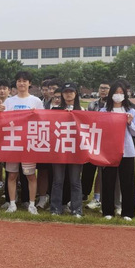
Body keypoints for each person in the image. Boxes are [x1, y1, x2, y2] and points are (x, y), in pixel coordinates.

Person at [0, 71, 43, 215]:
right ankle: (12, 203)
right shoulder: (9, 101)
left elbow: (43, 121)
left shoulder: (36, 101)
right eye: (19, 81)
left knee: (30, 175)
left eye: (24, 81)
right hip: (13, 143)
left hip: (29, 144)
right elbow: (1, 122)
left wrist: (36, 115)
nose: (21, 83)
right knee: (11, 175)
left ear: (30, 83)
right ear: (16, 83)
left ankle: (32, 204)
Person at [100, 81, 135, 221]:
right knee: (108, 181)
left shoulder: (131, 111)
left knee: (127, 182)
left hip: (127, 151)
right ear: (111, 94)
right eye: (116, 92)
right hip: (109, 152)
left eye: (121, 93)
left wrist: (129, 123)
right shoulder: (104, 111)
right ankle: (107, 211)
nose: (118, 95)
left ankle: (128, 212)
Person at [50, 83, 84, 217]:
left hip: (75, 151)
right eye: (66, 92)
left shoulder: (82, 110)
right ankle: (55, 208)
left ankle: (77, 209)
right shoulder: (55, 110)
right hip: (59, 149)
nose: (68, 94)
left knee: (75, 181)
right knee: (58, 180)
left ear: (76, 94)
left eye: (71, 92)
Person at [83, 81, 110, 210]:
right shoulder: (92, 104)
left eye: (106, 88)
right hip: (92, 141)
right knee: (88, 169)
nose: (103, 90)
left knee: (101, 170)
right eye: (101, 87)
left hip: (106, 142)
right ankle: (84, 194)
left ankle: (98, 197)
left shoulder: (112, 106)